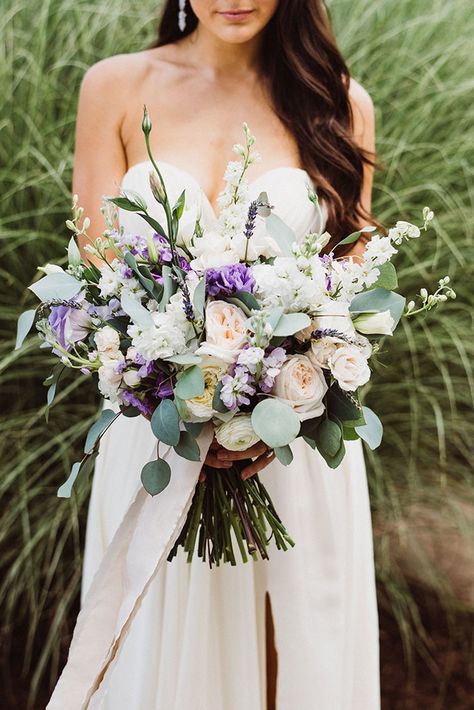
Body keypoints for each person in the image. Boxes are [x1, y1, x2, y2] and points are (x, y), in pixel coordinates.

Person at [66, 2, 380, 708]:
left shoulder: (339, 102)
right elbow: (96, 275)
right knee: (153, 656)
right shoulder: (115, 87)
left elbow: (352, 293)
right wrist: (174, 396)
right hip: (155, 433)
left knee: (296, 653)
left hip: (294, 440)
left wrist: (276, 401)